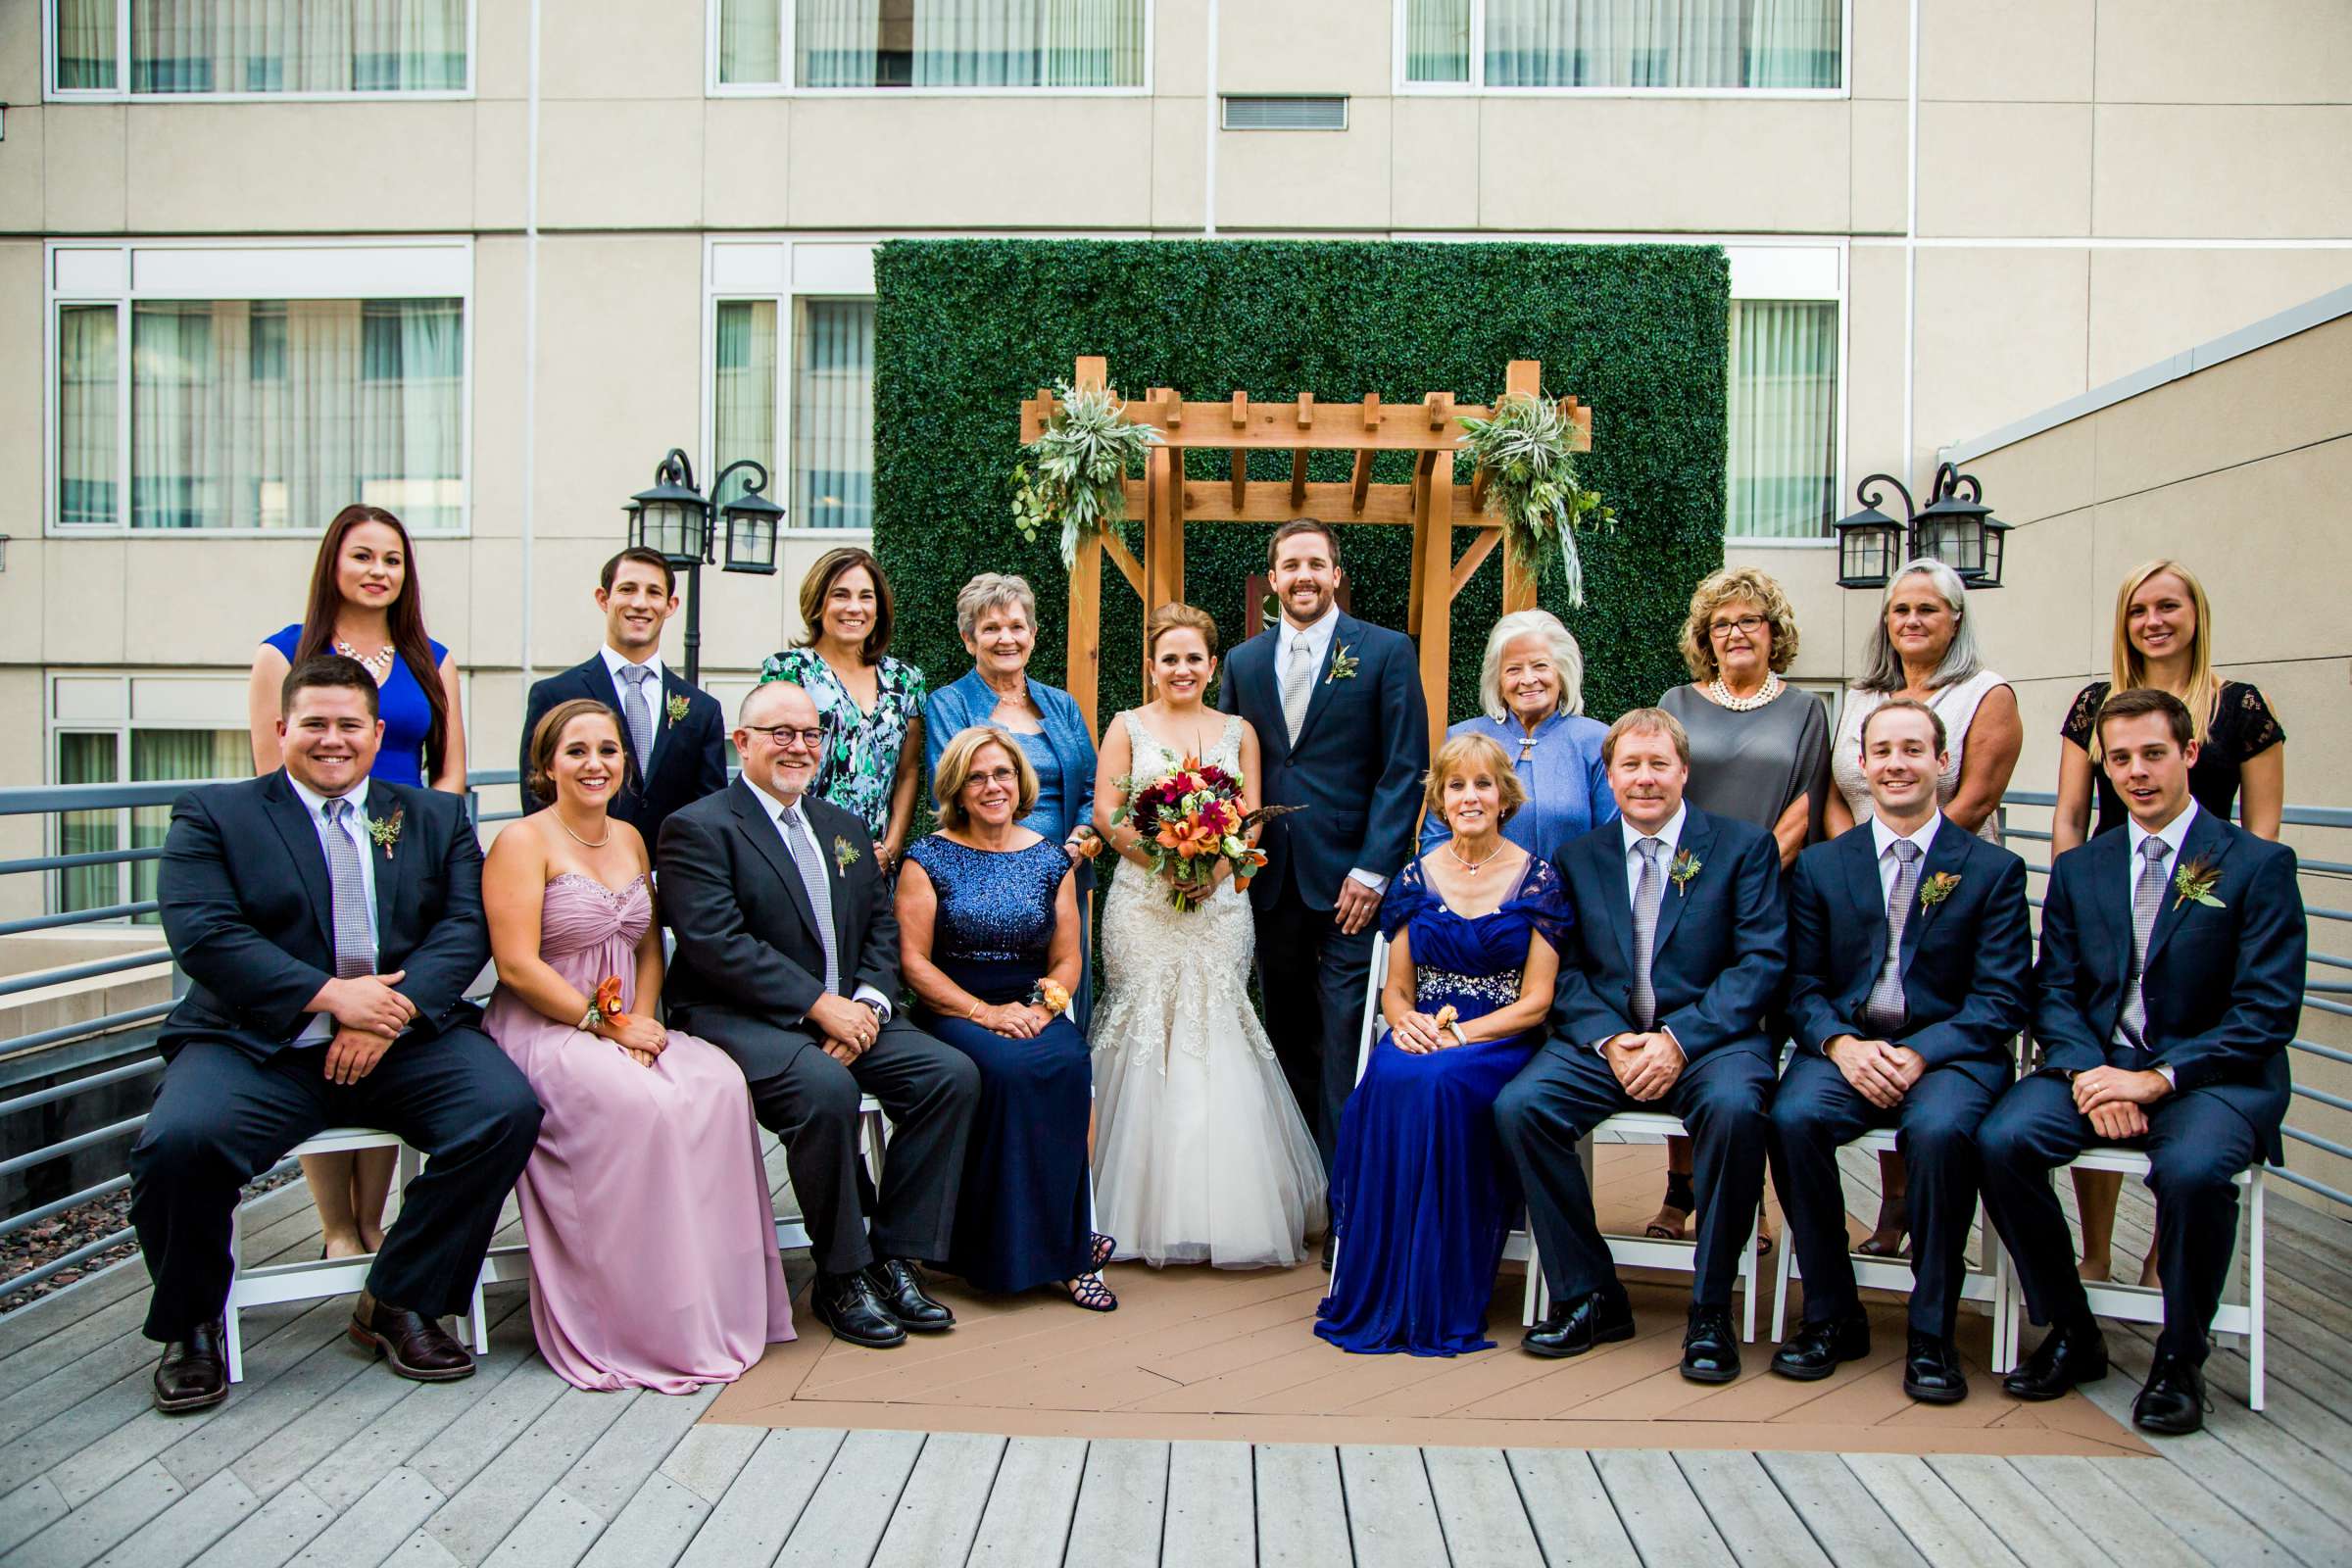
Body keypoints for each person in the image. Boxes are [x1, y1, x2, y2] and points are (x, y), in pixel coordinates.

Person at [129, 656, 541, 1413]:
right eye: (314, 724)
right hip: (257, 1045)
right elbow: (206, 936)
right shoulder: (213, 815)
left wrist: (394, 1013)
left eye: (349, 725)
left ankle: (401, 1300)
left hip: (404, 1039)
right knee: (177, 1144)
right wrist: (331, 998)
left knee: (502, 1112)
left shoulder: (434, 817)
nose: (332, 740)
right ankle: (191, 1326)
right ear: (283, 728)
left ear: (377, 732)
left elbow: (463, 927)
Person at [1980, 687, 2304, 1437]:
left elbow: (2266, 1014)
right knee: (2001, 1140)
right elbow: (2053, 989)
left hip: (2211, 1078)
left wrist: (2156, 1078)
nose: (2137, 772)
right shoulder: (2083, 868)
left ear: (2190, 754)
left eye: (2153, 754)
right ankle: (2071, 1329)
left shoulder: (2257, 866)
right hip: (2097, 1065)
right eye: (2119, 759)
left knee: (2191, 1172)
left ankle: (2181, 1358)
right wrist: (2090, 1074)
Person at [658, 680, 979, 1349]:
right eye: (780, 733)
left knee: (949, 1075)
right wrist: (818, 1006)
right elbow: (717, 944)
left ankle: (894, 1253)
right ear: (741, 742)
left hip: (848, 1011)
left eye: (809, 734)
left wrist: (865, 1002)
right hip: (741, 1017)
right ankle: (842, 1273)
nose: (797, 747)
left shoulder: (843, 826)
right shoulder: (698, 827)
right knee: (826, 1093)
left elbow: (880, 928)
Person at [483, 701, 794, 1392]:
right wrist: (605, 1025)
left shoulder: (630, 837)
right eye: (577, 752)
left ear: (626, 763)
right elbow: (516, 967)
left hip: (628, 1021)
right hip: (549, 1023)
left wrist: (643, 1027)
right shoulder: (521, 843)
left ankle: (705, 1299)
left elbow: (649, 946)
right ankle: (632, 1314)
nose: (595, 764)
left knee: (715, 1085)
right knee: (641, 1109)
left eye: (608, 751)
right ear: (546, 767)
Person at [1494, 708, 1782, 1383]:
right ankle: (1591, 1294)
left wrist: (1679, 1041)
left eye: (1659, 765)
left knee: (1738, 1113)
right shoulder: (1577, 858)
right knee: (1522, 1108)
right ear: (1611, 775)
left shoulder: (1742, 849)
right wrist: (1612, 1039)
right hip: (1610, 1041)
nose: (1645, 779)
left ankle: (1711, 1311)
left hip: (1712, 1042)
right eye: (1631, 766)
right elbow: (1560, 971)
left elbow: (1761, 964)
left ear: (1684, 771)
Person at [1767, 699, 2032, 1403]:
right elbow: (1800, 984)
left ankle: (1931, 1332)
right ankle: (1832, 1312)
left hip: (1951, 1057)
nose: (1897, 764)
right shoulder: (1825, 867)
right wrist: (1842, 1044)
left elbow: (2003, 999)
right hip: (1847, 1050)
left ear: (1943, 764)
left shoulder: (1992, 870)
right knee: (1792, 1119)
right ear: (1862, 765)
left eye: (1913, 749)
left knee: (1941, 1132)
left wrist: (1920, 1054)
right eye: (1882, 751)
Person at [2053, 559, 2288, 1287]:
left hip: (2203, 904)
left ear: (2195, 614)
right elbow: (2071, 816)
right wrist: (2080, 899)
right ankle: (2093, 1252)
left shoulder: (2237, 705)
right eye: (2137, 610)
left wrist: (2234, 896)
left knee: (2182, 1127)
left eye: (2167, 606)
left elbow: (2262, 828)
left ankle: (2163, 1257)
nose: (2153, 621)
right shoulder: (2096, 703)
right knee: (2094, 1070)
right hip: (2112, 896)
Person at [248, 504, 468, 1267]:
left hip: (407, 859)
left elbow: (450, 771)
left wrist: (439, 847)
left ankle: (371, 1219)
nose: (378, 572)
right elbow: (268, 772)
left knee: (387, 1015)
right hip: (317, 856)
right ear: (333, 564)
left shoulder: (429, 657)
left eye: (392, 561)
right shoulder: (285, 654)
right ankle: (334, 1224)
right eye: (363, 556)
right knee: (326, 1017)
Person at [1318, 733, 1569, 1356]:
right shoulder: (1413, 877)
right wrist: (1406, 1025)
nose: (1470, 797)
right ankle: (1385, 1278)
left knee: (1436, 1081)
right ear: (1440, 799)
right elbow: (1396, 992)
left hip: (1499, 1038)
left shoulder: (1539, 880)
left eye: (1483, 784)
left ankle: (1437, 1286)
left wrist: (1459, 1033)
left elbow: (1537, 1002)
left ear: (1505, 797)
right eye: (1456, 786)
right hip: (1425, 1027)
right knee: (1395, 1073)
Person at [1093, 603, 1327, 1267]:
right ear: (1151, 666)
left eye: (1194, 657)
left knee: (1215, 1025)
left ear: (1212, 665)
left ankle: (1223, 1211)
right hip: (1143, 904)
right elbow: (1107, 814)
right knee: (1144, 1024)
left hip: (1220, 906)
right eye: (1169, 658)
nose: (1182, 668)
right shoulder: (1127, 726)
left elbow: (1251, 820)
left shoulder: (1238, 730)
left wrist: (1215, 865)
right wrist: (1167, 862)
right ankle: (1128, 1210)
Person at [1217, 520, 1429, 1179]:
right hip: (1270, 879)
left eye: (1317, 563)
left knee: (1343, 1033)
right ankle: (1302, 1178)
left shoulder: (1388, 651)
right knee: (1284, 1029)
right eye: (1291, 564)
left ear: (1336, 575)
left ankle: (1344, 1195)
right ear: (1273, 578)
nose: (1304, 575)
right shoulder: (1243, 662)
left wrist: (1374, 868)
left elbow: (1404, 766)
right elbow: (1228, 766)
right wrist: (1223, 854)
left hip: (1351, 885)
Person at [1824, 558, 2023, 1258]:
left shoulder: (1985, 693)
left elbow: (1974, 799)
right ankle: (1892, 1207)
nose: (1910, 621)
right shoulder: (1861, 693)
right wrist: (1851, 870)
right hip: (1857, 877)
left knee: (1921, 1015)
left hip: (1949, 883)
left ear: (1955, 618)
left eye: (1927, 609)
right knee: (1872, 1015)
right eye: (1900, 610)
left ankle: (1930, 1228)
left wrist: (1911, 860)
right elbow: (1833, 786)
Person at [899, 728, 1110, 1309]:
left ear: (1020, 783)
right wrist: (984, 1013)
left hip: (1031, 1003)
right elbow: (912, 962)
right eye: (978, 776)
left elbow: (1068, 957)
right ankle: (997, 1251)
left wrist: (1045, 1009)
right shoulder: (927, 857)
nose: (993, 786)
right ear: (957, 790)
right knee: (1007, 1072)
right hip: (954, 1006)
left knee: (1069, 1060)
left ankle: (1070, 1248)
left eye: (1003, 774)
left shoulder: (1049, 858)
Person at [1651, 565, 1827, 1249]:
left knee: (1745, 1048)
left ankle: (1740, 1200)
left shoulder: (1807, 711)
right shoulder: (1678, 701)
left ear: (1773, 630)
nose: (1735, 633)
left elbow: (1807, 804)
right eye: (1721, 623)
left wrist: (1745, 876)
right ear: (1705, 637)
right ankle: (1680, 1188)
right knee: (1680, 1024)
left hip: (1763, 897)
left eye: (1749, 620)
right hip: (1682, 894)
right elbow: (1660, 791)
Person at [922, 573, 1101, 1028]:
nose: (1007, 638)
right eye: (991, 628)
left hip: (1063, 873)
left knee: (1060, 1006)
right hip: (981, 882)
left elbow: (1091, 790)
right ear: (968, 639)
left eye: (1017, 627)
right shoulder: (949, 704)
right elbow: (951, 786)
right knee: (993, 1017)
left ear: (1034, 634)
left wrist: (1076, 847)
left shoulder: (1061, 706)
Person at [517, 548, 727, 854]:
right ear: (604, 598)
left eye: (653, 592)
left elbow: (709, 808)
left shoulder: (702, 709)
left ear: (670, 605)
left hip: (673, 876)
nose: (640, 603)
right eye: (627, 589)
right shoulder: (553, 694)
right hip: (580, 871)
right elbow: (536, 793)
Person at [760, 547, 926, 875]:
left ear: (878, 608)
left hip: (877, 864)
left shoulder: (905, 680)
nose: (854, 607)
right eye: (840, 595)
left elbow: (908, 771)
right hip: (805, 853)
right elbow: (771, 764)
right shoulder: (790, 671)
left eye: (866, 596)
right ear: (818, 602)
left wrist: (891, 848)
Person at [1418, 610, 1616, 865]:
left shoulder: (1596, 741)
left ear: (1562, 672)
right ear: (1497, 680)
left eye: (1540, 666)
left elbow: (1611, 841)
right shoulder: (1462, 738)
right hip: (1480, 900)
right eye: (1513, 669)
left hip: (1572, 901)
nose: (1528, 679)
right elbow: (1437, 837)